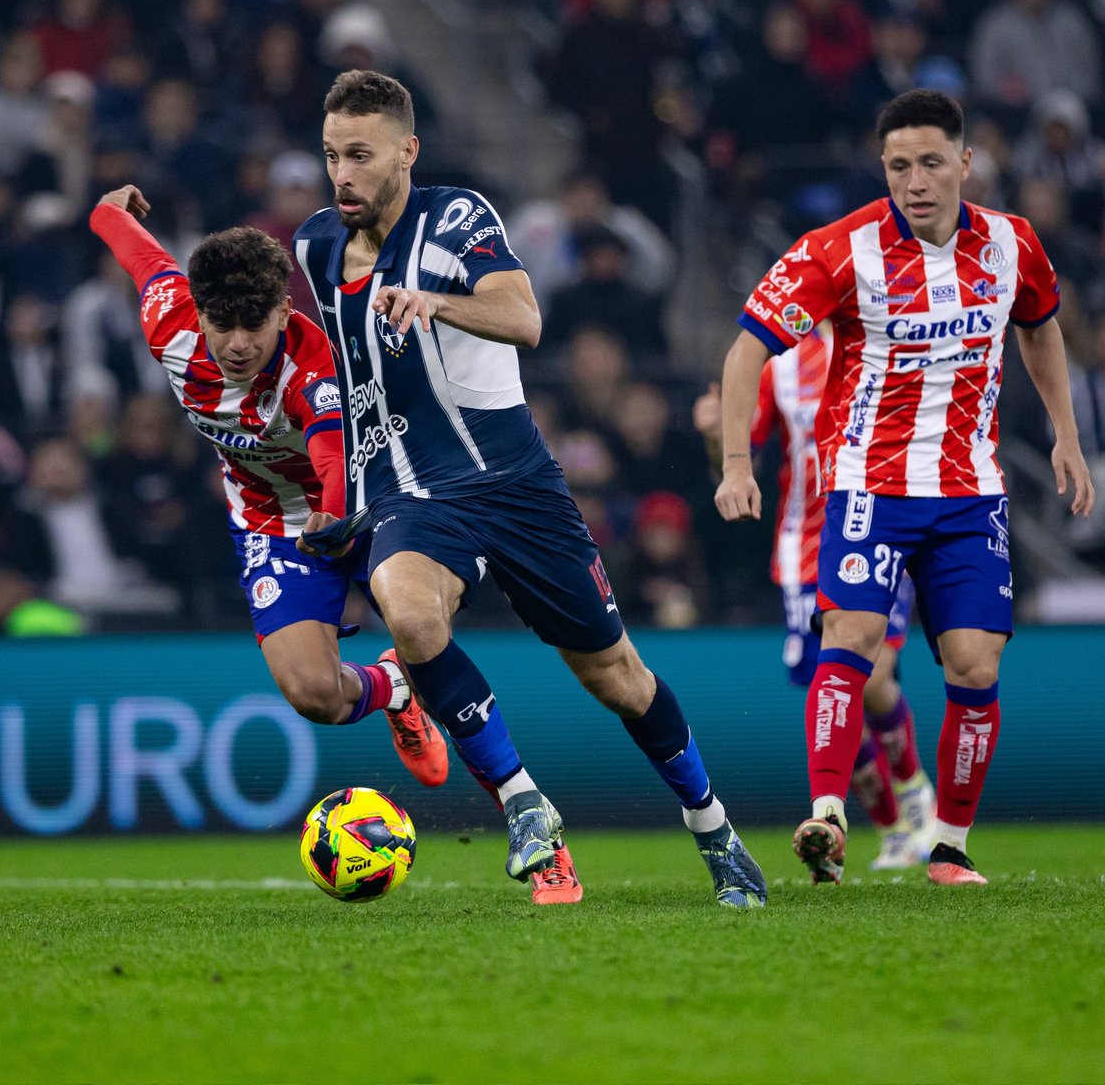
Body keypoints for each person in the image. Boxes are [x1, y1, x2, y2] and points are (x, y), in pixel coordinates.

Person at [293, 68, 766, 908]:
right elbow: (334, 371)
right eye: (331, 156)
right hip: (413, 495)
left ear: (406, 151)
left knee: (617, 675)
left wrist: (434, 302)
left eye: (359, 155)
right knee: (407, 612)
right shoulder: (316, 247)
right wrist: (334, 490)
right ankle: (525, 806)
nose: (342, 175)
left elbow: (525, 318)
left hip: (517, 485)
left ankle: (713, 827)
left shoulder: (456, 217)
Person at [715, 88, 1094, 886]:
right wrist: (738, 465)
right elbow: (748, 346)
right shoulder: (838, 249)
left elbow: (1041, 326)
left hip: (969, 494)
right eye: (897, 166)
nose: (914, 181)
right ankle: (828, 814)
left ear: (964, 163)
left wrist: (1066, 434)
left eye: (929, 163)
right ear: (881, 168)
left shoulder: (1011, 244)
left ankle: (949, 848)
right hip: (866, 486)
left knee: (975, 665)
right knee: (849, 643)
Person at [87, 183, 449, 793]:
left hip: (365, 499)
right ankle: (393, 689)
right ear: (196, 310)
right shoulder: (168, 322)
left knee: (433, 618)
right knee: (315, 696)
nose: (237, 343)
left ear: (282, 310)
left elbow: (334, 457)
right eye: (220, 324)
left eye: (253, 324)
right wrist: (108, 206)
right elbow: (136, 252)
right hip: (269, 517)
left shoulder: (310, 369)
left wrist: (332, 518)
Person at [696, 326, 937, 871]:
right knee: (827, 693)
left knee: (869, 674)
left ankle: (916, 789)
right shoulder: (782, 365)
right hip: (806, 547)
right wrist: (717, 433)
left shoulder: (891, 339)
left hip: (882, 528)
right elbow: (740, 453)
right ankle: (889, 828)